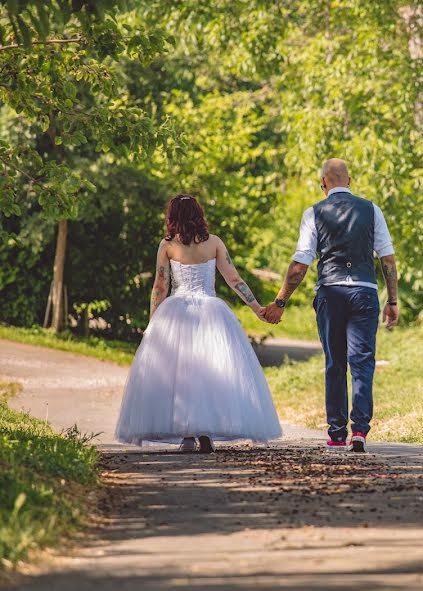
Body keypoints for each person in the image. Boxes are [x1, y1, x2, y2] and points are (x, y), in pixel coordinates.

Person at [115, 194, 282, 452]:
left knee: (182, 375)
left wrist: (153, 321)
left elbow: (160, 286)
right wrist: (256, 307)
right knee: (208, 371)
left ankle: (188, 437)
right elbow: (234, 279)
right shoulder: (213, 242)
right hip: (210, 309)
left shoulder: (167, 245)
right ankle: (205, 435)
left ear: (172, 216)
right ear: (198, 214)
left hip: (176, 309)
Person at [262, 158, 399, 453]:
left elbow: (300, 265)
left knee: (335, 364)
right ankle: (359, 431)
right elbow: (387, 259)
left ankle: (337, 433)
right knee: (362, 363)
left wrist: (280, 301)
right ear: (349, 181)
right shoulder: (372, 210)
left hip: (331, 293)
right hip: (364, 292)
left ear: (323, 183)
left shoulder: (313, 213)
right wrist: (393, 300)